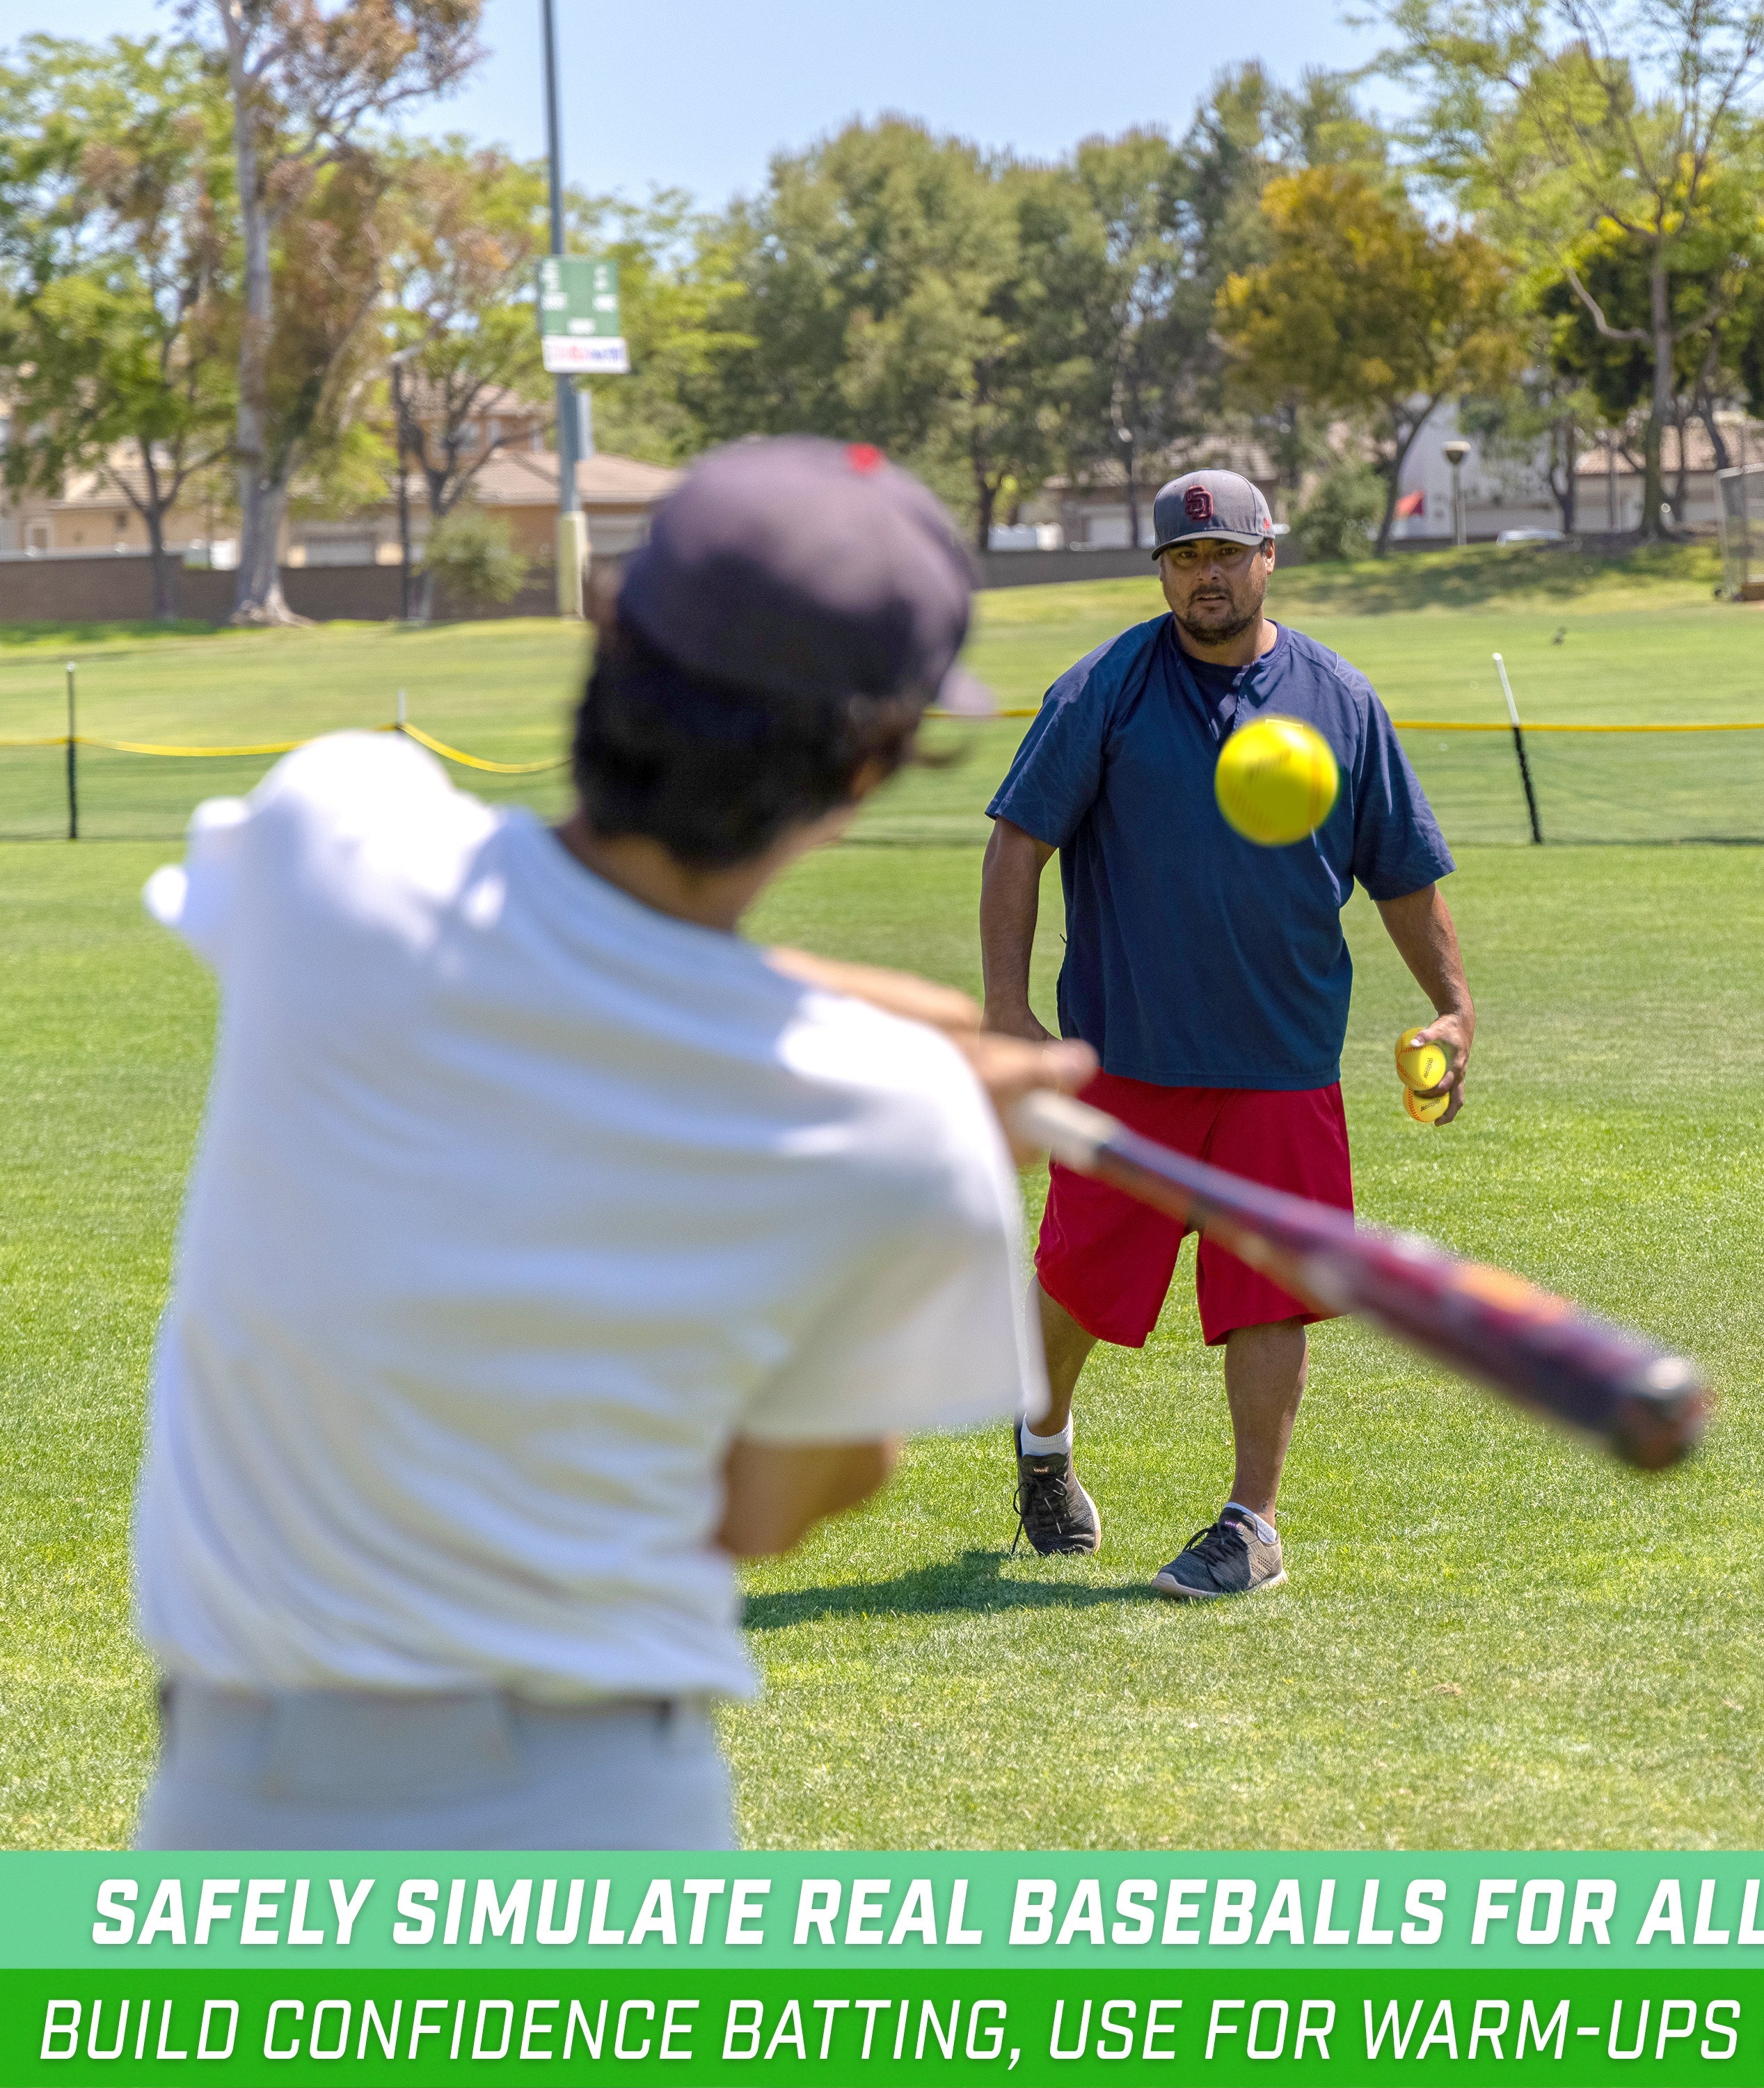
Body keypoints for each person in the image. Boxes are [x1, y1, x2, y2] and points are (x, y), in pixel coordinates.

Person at [129, 436, 1092, 1851]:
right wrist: (919, 1084)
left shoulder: (333, 849)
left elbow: (576, 945)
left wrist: (888, 1051)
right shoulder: (899, 1135)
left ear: (609, 628)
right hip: (600, 1824)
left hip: (237, 1812)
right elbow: (769, 1511)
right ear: (875, 761)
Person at [980, 467, 1474, 1600]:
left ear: (1269, 556)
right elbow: (1017, 844)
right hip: (1130, 1053)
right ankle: (1043, 1447)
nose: (1205, 576)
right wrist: (1010, 1012)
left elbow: (1402, 870)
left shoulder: (1340, 700)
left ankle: (1252, 1523)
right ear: (1162, 571)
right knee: (1081, 1280)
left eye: (1225, 555)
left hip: (1281, 1056)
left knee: (1269, 1286)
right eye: (1183, 560)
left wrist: (1451, 1003)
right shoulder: (1103, 686)